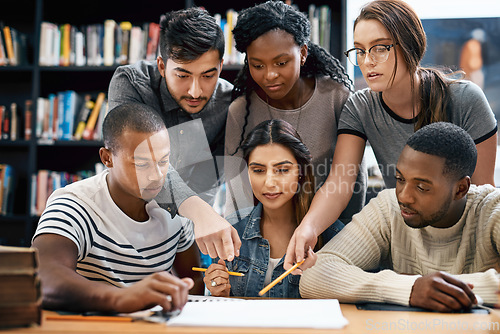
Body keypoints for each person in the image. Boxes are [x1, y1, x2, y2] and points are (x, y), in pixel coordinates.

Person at [285, 0, 497, 273]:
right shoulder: (360, 106)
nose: (367, 61)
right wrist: (309, 227)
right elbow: (340, 180)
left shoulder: (465, 99)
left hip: (463, 240)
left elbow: (484, 192)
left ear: (410, 45)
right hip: (408, 236)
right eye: (359, 51)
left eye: (380, 48)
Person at [300, 122, 500, 312]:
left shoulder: (493, 208)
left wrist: (437, 290)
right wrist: (410, 288)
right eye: (400, 179)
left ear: (461, 189)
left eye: (422, 187)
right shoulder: (388, 208)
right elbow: (315, 275)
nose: (403, 196)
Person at [32, 103, 203, 313]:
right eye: (142, 164)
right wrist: (122, 298)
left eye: (163, 161)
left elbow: (193, 279)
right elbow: (42, 276)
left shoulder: (178, 205)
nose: (157, 175)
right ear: (107, 158)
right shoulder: (75, 203)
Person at [108, 7, 241, 261]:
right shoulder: (131, 83)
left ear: (221, 66)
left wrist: (198, 217)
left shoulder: (231, 104)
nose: (195, 91)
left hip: (185, 230)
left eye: (208, 75)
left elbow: (207, 182)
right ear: (161, 65)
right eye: (182, 74)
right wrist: (199, 211)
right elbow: (138, 161)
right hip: (121, 223)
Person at [224, 0, 367, 227]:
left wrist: (344, 237)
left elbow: (352, 180)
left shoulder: (336, 97)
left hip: (332, 230)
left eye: (281, 62)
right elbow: (236, 195)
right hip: (265, 237)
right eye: (257, 65)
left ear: (302, 53)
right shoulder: (241, 111)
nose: (269, 75)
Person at [205, 120, 343, 298]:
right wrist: (220, 293)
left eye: (282, 170)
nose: (269, 183)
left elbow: (348, 310)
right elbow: (219, 311)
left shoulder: (334, 235)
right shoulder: (231, 231)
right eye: (258, 170)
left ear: (300, 171)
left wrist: (318, 279)